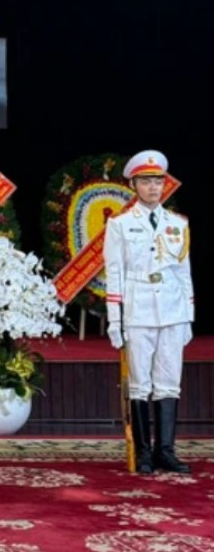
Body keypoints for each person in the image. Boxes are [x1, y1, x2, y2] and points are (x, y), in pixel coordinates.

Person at [104, 149, 194, 474]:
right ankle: (143, 452)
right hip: (138, 308)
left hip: (172, 309)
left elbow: (183, 272)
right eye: (146, 181)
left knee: (169, 381)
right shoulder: (120, 225)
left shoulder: (177, 224)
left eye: (158, 181)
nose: (153, 187)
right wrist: (115, 320)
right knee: (140, 383)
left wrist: (188, 315)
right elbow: (114, 273)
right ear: (134, 185)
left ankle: (165, 451)